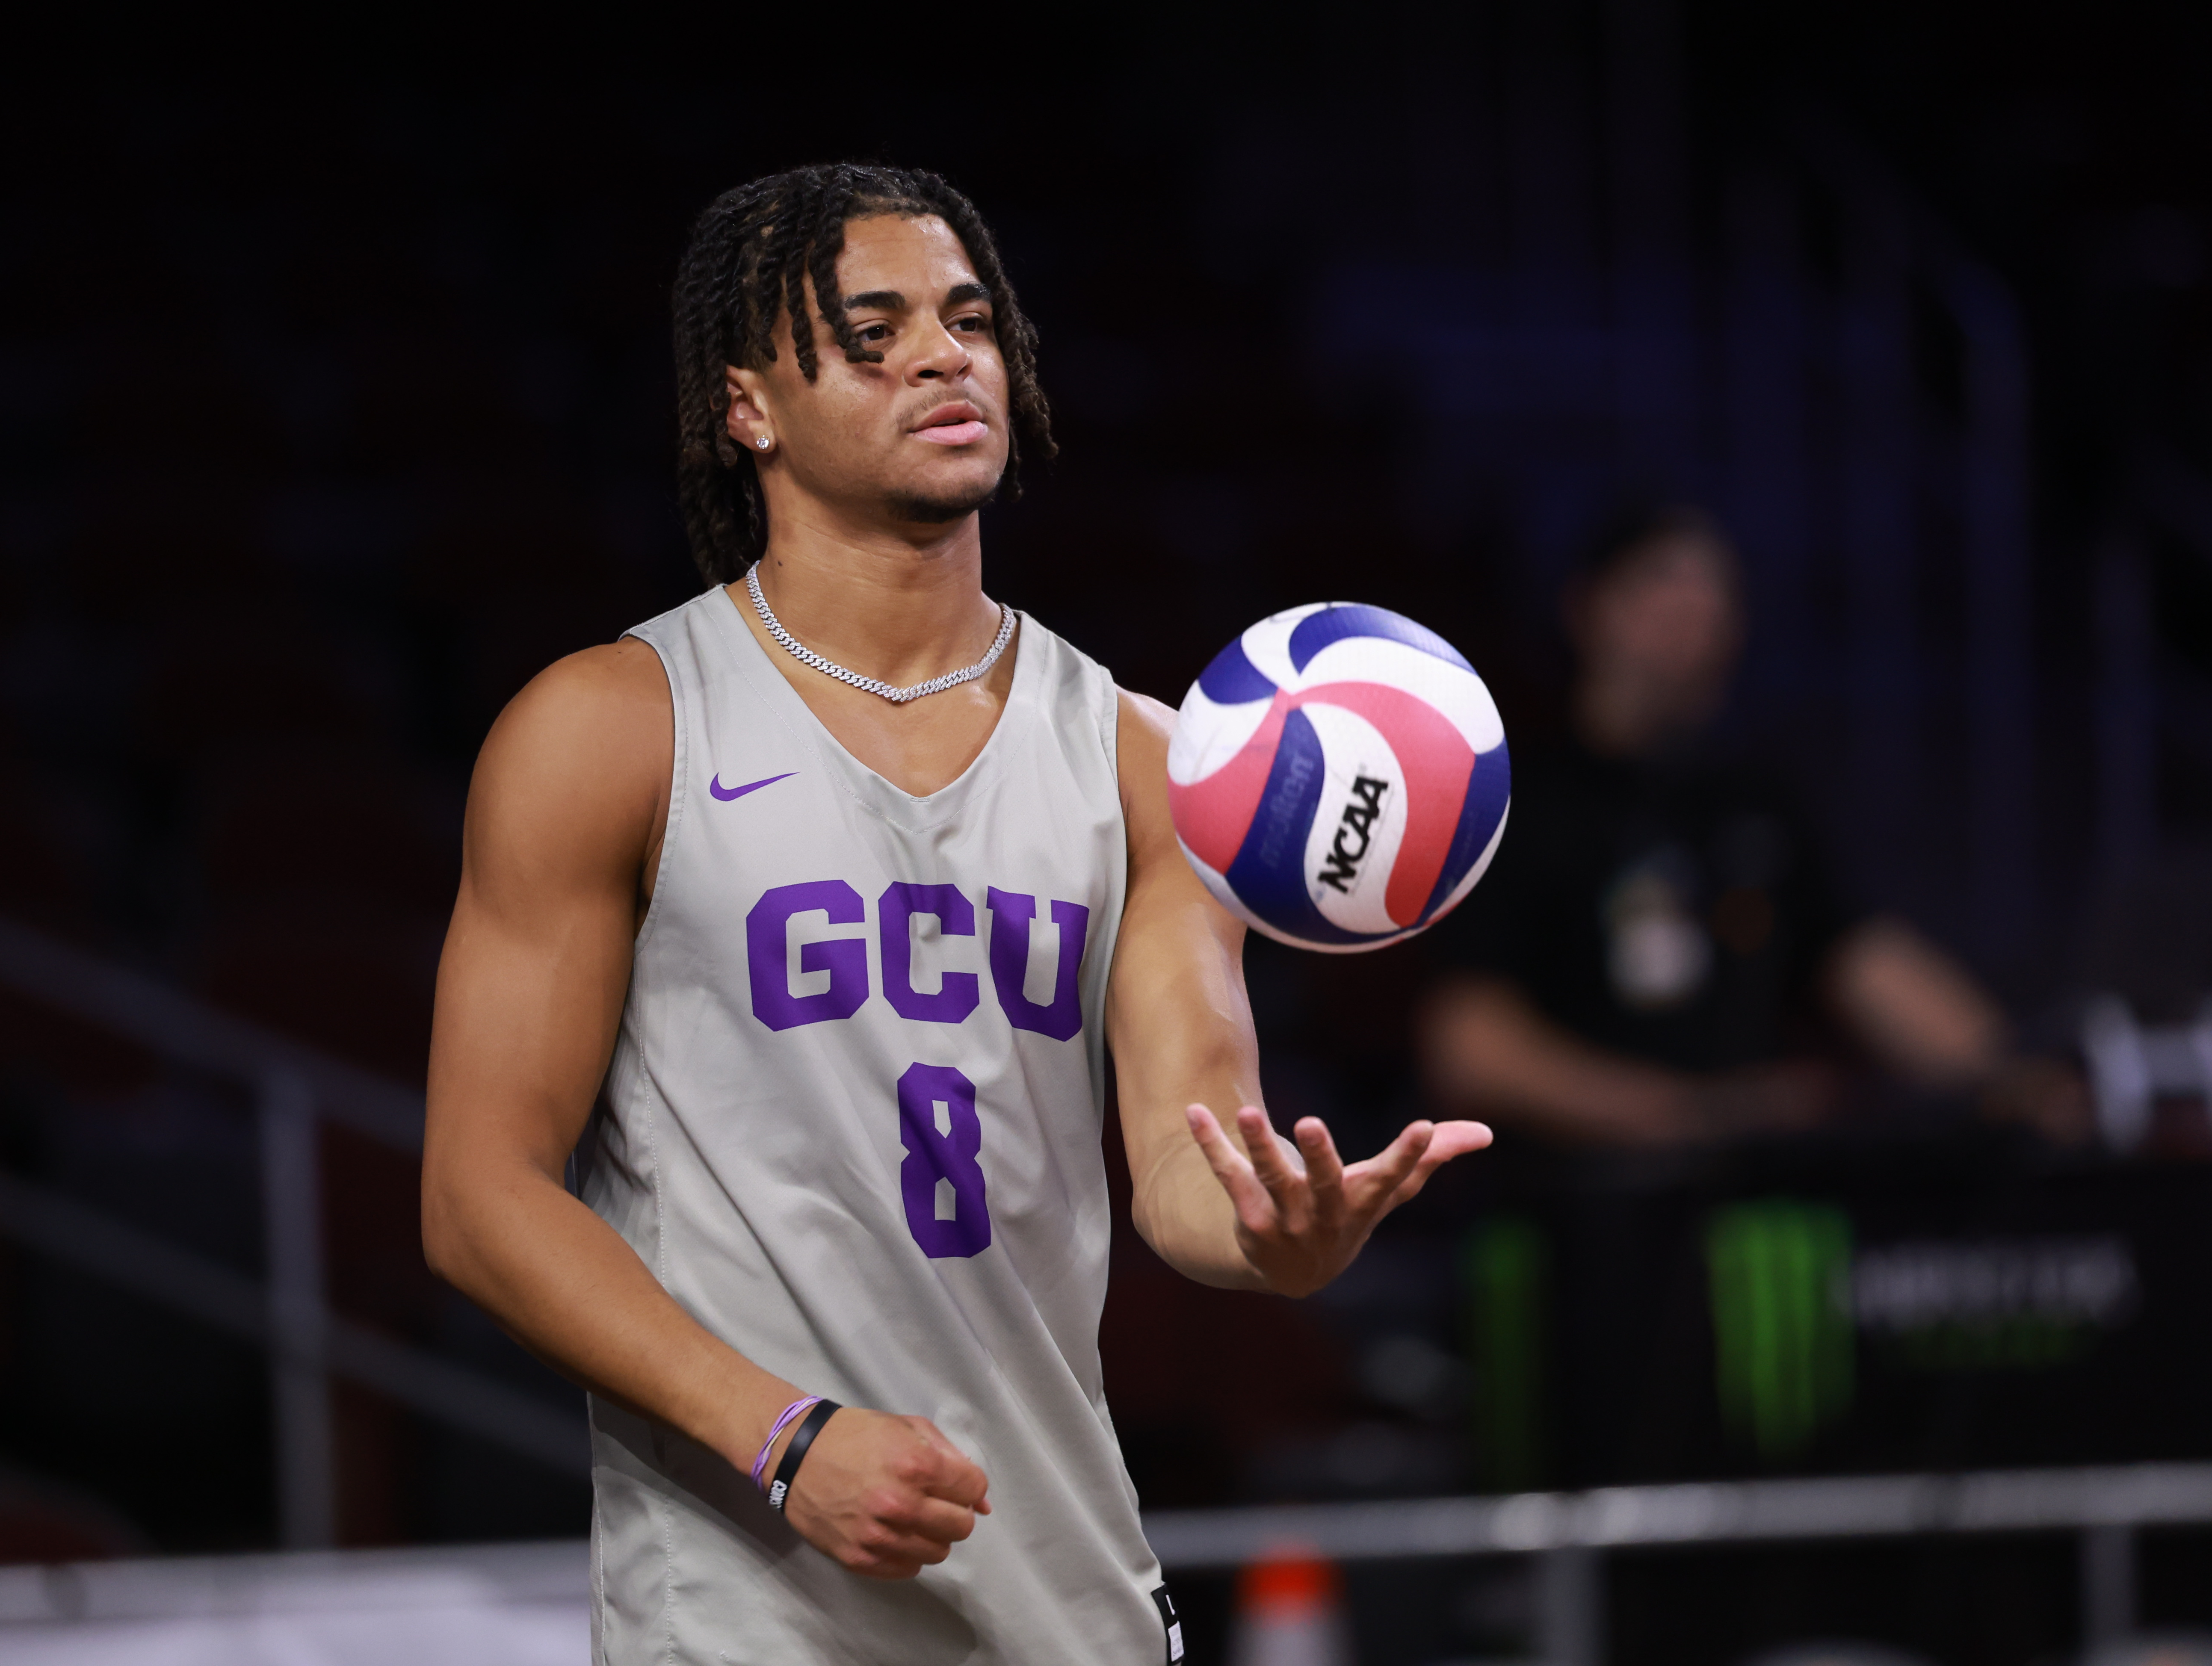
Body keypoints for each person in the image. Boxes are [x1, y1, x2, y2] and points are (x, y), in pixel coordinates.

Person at [418, 164, 1491, 1664]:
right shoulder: (612, 729)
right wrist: (781, 1434)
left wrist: (1276, 1240)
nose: (944, 354)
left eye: (971, 318)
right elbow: (479, 1199)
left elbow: (1189, 1167)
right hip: (743, 1599)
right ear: (747, 409)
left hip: (1060, 1590)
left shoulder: (1148, 761)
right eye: (873, 332)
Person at [1417, 504, 2082, 1149]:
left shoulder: (1755, 802)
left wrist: (2012, 1077)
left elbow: (1864, 959)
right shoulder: (1516, 803)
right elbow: (1470, 1046)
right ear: (1589, 608)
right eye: (1666, 585)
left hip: (1747, 1209)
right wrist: (1689, 1116)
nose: (1700, 616)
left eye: (1719, 594)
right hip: (1576, 1210)